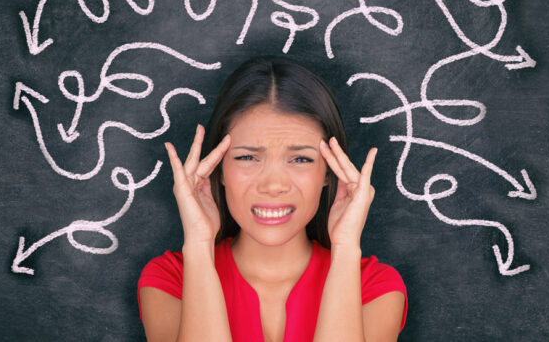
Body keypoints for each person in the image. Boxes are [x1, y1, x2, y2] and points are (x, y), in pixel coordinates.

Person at [138, 56, 407, 342]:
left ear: (329, 172)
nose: (274, 185)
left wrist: (345, 248)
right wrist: (199, 244)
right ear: (219, 169)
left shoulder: (375, 287)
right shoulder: (170, 279)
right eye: (248, 157)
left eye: (301, 158)